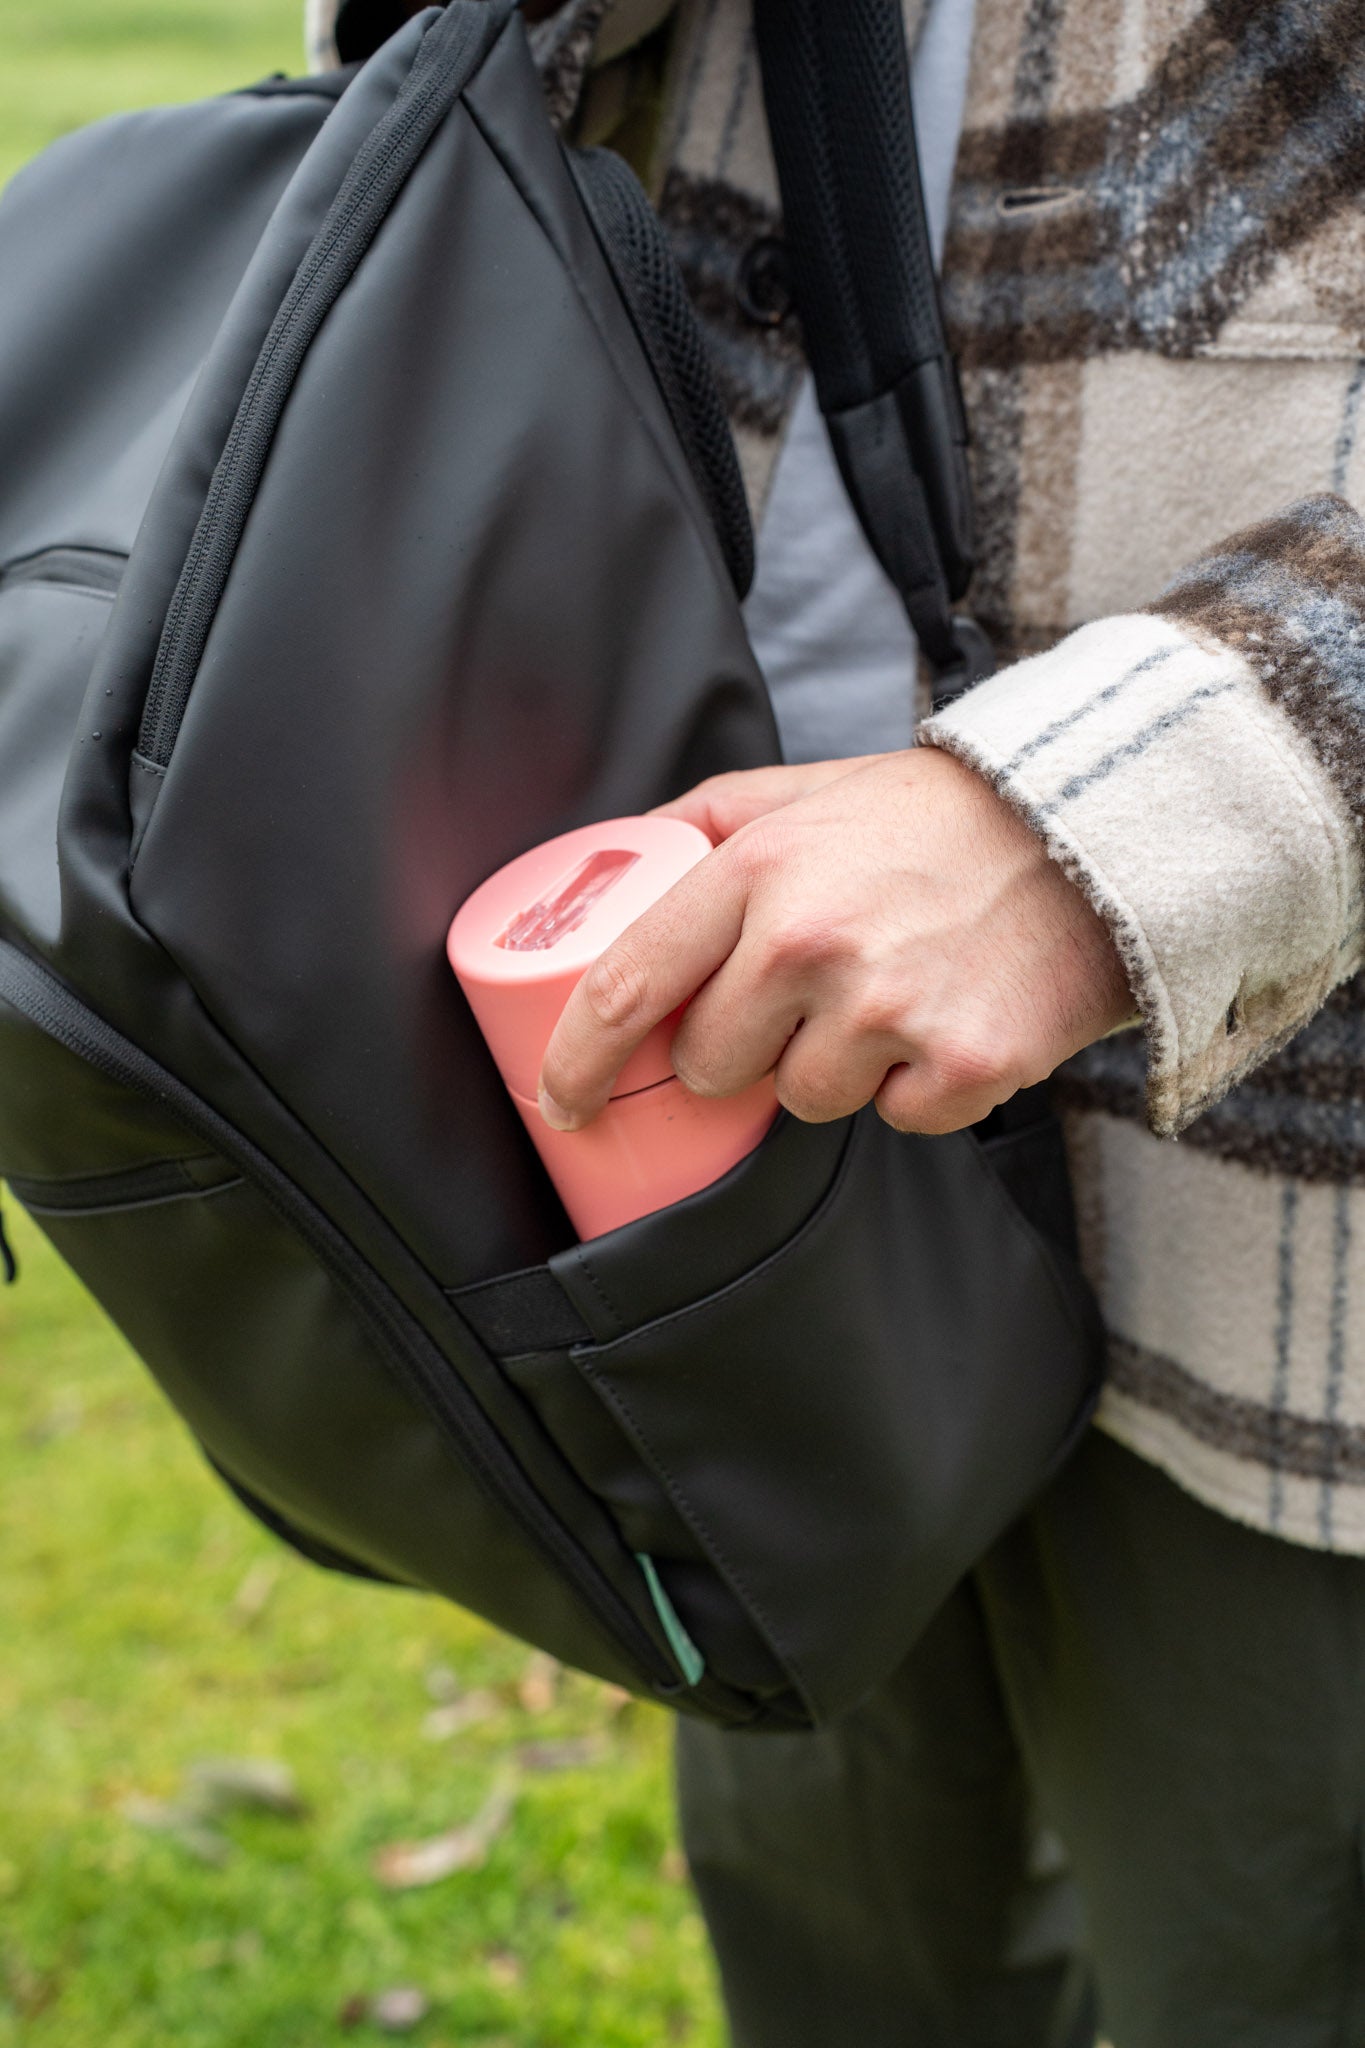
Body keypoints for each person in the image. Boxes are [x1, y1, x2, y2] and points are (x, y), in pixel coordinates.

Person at [316, 3, 1365, 2042]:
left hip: (1293, 1194)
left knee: (1262, 1949)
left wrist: (1090, 829)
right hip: (725, 1132)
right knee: (839, 1935)